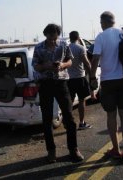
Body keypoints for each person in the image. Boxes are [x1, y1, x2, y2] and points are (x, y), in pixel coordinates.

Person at [32, 23, 84, 163]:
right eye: (50, 38)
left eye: (55, 38)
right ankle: (51, 151)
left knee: (69, 118)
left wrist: (62, 65)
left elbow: (70, 61)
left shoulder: (63, 44)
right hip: (45, 84)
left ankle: (73, 149)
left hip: (61, 83)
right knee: (47, 119)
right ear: (45, 35)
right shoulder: (39, 48)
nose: (53, 41)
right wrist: (46, 66)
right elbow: (35, 66)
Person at [90, 11, 123, 160]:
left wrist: (92, 77)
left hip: (108, 81)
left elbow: (95, 58)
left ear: (103, 22)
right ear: (114, 21)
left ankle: (116, 148)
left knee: (111, 115)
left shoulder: (101, 37)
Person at [68, 31, 95, 130]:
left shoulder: (66, 48)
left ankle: (68, 122)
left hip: (68, 79)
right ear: (78, 38)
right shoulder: (80, 48)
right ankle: (81, 123)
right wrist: (92, 74)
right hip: (79, 77)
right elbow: (86, 63)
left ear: (70, 38)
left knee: (69, 101)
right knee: (81, 100)